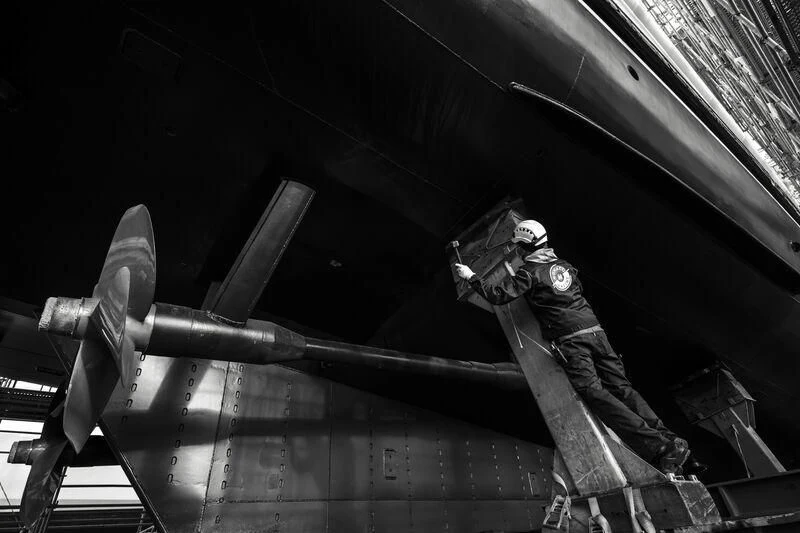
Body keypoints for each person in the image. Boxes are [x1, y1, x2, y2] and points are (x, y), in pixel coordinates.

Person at [454, 219, 696, 474]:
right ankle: (674, 443)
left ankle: (658, 447)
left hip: (572, 339)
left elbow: (499, 296)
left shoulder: (530, 273)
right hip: (596, 332)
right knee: (622, 388)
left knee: (592, 391)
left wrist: (470, 277)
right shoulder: (565, 266)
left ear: (524, 246)